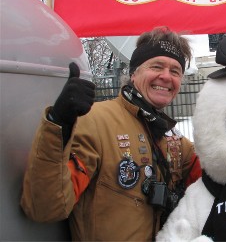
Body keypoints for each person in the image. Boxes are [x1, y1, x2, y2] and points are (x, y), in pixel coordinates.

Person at [20, 26, 202, 241]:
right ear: (134, 74)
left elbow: (215, 179)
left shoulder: (173, 138)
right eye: (157, 66)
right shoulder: (96, 121)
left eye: (175, 71)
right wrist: (59, 123)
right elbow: (46, 207)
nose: (166, 76)